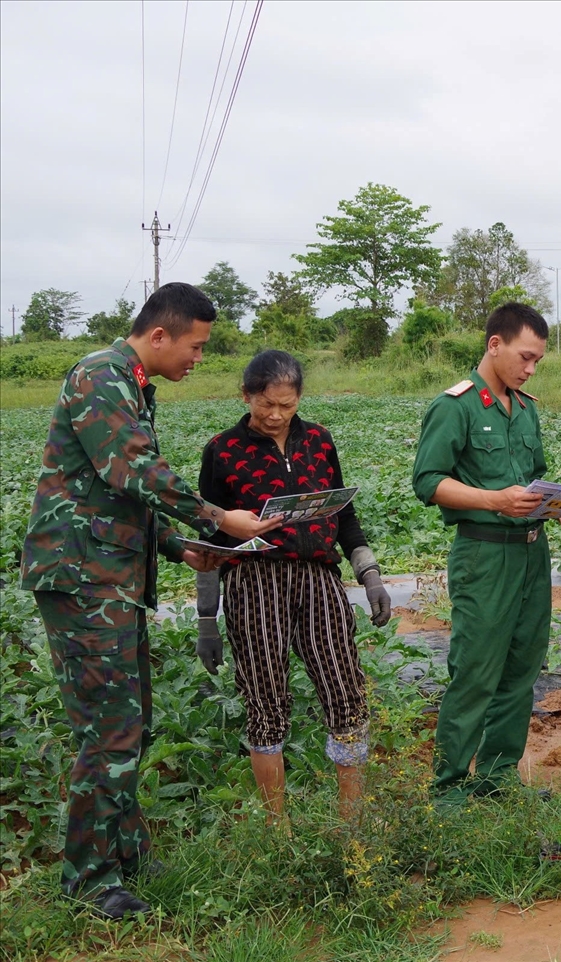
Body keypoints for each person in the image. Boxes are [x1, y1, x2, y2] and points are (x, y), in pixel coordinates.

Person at [20, 282, 279, 918]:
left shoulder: (132, 384)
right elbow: (130, 471)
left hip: (112, 578)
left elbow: (118, 494)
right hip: (83, 579)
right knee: (107, 731)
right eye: (195, 346)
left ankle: (125, 851)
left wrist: (178, 546)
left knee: (130, 724)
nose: (199, 357)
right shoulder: (100, 377)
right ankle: (87, 880)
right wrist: (219, 517)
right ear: (159, 335)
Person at [194, 350, 393, 820]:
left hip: (319, 579)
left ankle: (351, 822)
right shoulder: (222, 451)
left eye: (287, 404)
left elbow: (344, 516)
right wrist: (207, 616)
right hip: (254, 580)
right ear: (245, 396)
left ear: (299, 397)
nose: (276, 415)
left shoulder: (319, 441)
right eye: (266, 404)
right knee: (265, 699)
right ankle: (277, 829)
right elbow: (209, 538)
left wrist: (371, 575)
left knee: (346, 691)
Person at [411, 302, 561, 801]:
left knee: (521, 669)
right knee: (475, 671)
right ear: (495, 345)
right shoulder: (456, 406)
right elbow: (427, 481)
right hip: (484, 556)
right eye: (525, 358)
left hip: (532, 554)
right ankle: (448, 788)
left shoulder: (525, 407)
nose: (531, 369)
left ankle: (496, 777)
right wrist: (493, 500)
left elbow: (535, 483)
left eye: (537, 362)